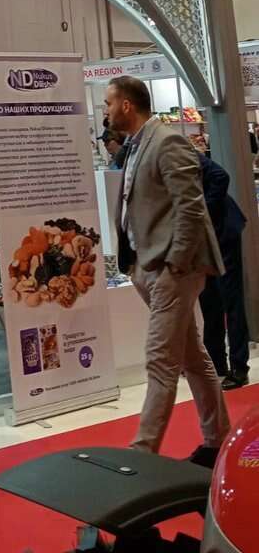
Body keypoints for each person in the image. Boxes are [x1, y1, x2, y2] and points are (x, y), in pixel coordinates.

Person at [106, 75, 230, 466]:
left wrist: (175, 263)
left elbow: (190, 208)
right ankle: (218, 440)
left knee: (160, 360)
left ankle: (142, 456)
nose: (106, 111)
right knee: (193, 358)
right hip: (149, 266)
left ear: (127, 104)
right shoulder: (135, 145)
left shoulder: (167, 141)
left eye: (109, 103)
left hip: (173, 269)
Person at [197, 151, 250, 391]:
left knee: (231, 300)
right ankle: (216, 362)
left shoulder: (177, 149)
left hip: (222, 232)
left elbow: (221, 176)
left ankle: (239, 367)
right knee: (208, 300)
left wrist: (202, 211)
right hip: (202, 238)